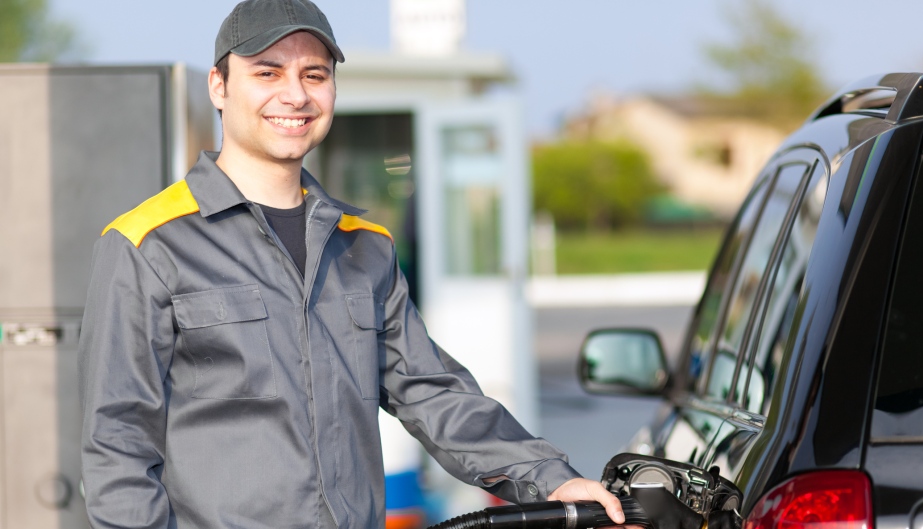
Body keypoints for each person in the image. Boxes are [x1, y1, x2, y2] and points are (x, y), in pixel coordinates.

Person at [78, 1, 629, 527]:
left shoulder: (364, 247)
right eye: (268, 73)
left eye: (314, 75)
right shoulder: (146, 245)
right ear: (219, 87)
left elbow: (431, 392)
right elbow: (117, 448)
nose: (294, 95)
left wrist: (550, 478)